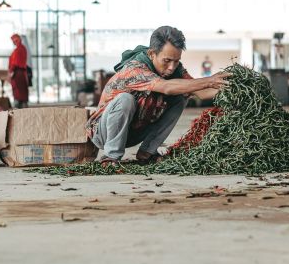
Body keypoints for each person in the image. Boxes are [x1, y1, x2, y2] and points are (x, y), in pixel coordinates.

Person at [85, 26, 230, 165]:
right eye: (167, 61)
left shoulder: (176, 69)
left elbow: (201, 92)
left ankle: (147, 152)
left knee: (180, 97)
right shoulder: (135, 68)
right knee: (125, 99)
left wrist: (229, 86)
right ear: (152, 54)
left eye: (176, 61)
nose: (172, 67)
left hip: (133, 132)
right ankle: (111, 156)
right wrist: (210, 80)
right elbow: (166, 87)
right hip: (104, 133)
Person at [9, 34, 29, 108]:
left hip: (18, 74)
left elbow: (15, 63)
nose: (13, 42)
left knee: (19, 91)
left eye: (14, 40)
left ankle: (19, 107)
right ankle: (22, 106)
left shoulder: (18, 50)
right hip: (21, 73)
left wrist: (11, 72)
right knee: (22, 91)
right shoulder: (23, 48)